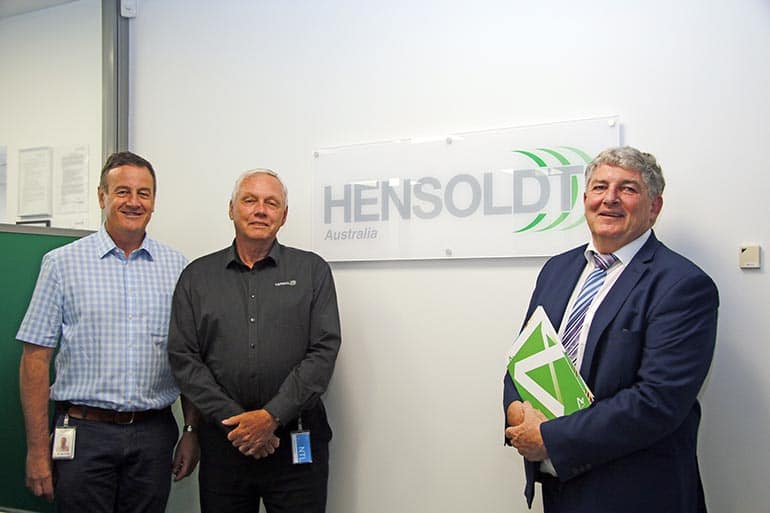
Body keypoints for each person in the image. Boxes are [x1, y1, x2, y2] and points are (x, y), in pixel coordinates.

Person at [503, 146, 718, 513]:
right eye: (600, 187)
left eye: (628, 189)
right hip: (560, 485)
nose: (610, 199)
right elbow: (526, 356)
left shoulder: (683, 285)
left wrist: (551, 439)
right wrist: (516, 413)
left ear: (654, 207)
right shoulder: (557, 269)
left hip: (636, 492)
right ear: (585, 199)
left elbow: (658, 401)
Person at [17, 151, 200, 512]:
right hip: (83, 436)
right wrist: (38, 450)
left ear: (153, 202)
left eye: (143, 193)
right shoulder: (61, 264)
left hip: (153, 434)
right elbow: (35, 360)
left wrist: (191, 432)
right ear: (102, 196)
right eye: (122, 192)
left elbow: (189, 357)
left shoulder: (178, 267)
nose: (133, 202)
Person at [168, 168, 342, 513]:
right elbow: (184, 359)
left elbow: (323, 351)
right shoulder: (196, 278)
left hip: (295, 441)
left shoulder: (312, 271)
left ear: (284, 215)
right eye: (250, 200)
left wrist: (270, 417)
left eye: (271, 202)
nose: (260, 210)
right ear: (231, 209)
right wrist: (239, 423)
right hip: (223, 445)